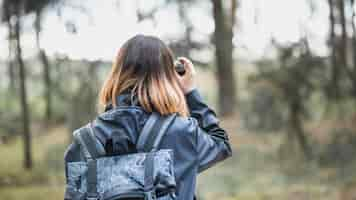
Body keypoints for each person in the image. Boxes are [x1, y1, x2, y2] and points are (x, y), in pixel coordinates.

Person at [64, 34, 232, 200]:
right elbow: (220, 144)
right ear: (167, 78)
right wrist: (190, 92)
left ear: (116, 74)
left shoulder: (83, 143)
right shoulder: (182, 132)